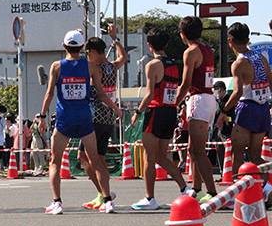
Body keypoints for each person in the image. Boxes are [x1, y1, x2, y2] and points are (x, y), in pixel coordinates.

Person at [40, 30, 117, 214]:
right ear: (82, 48)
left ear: (64, 46)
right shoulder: (90, 67)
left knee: (55, 162)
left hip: (64, 119)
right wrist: (116, 108)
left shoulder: (57, 66)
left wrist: (42, 116)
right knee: (96, 160)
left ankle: (57, 202)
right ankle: (107, 201)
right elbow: (100, 93)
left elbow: (50, 93)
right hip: (84, 119)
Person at [130, 27, 196, 210]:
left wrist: (137, 112)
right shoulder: (174, 64)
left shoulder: (152, 65)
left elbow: (150, 94)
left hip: (156, 111)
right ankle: (185, 188)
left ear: (149, 45)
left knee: (149, 156)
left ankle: (149, 198)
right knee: (161, 156)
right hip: (170, 111)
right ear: (166, 44)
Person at [217, 22, 272, 198]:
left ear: (230, 41)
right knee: (256, 154)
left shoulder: (239, 63)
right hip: (263, 107)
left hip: (247, 107)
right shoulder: (261, 58)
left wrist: (224, 110)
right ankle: (268, 186)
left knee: (237, 152)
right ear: (248, 39)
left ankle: (236, 193)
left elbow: (238, 92)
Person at [79, 24, 126, 210]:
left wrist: (78, 39)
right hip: (107, 119)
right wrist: (115, 38)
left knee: (84, 157)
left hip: (94, 117)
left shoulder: (94, 69)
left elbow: (100, 94)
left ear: (91, 52)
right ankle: (104, 193)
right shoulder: (112, 67)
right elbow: (123, 57)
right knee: (99, 158)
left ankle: (104, 194)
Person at [176, 16, 218, 203]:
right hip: (209, 98)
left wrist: (173, 104)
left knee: (198, 150)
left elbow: (185, 84)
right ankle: (197, 189)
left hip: (199, 98)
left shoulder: (191, 52)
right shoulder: (207, 49)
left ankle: (212, 191)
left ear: (183, 34)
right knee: (194, 148)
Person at [212, 80, 234, 173]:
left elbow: (227, 110)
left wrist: (219, 100)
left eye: (217, 89)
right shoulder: (216, 100)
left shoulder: (228, 100)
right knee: (219, 152)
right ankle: (223, 173)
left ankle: (231, 172)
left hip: (226, 129)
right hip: (217, 129)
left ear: (222, 90)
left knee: (228, 151)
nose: (215, 92)